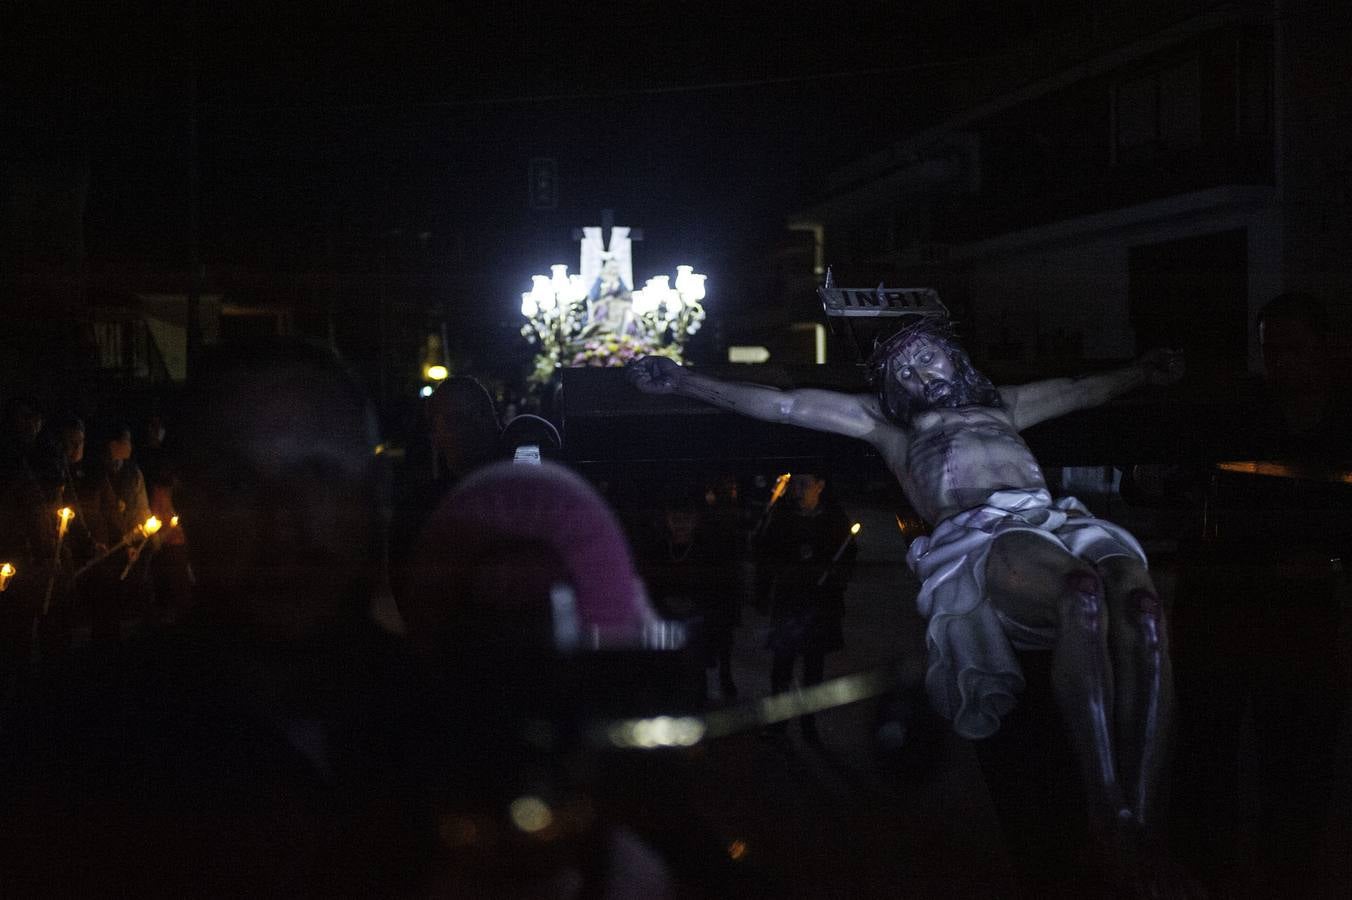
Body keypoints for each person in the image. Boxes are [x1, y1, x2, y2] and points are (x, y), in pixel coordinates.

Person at [629, 316, 1185, 887]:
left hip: (1056, 520)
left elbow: (1078, 390)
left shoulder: (1004, 405)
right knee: (1083, 597)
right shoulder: (886, 425)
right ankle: (1106, 805)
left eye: (929, 357)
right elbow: (785, 405)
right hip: (985, 535)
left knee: (1142, 611)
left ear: (955, 358)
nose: (920, 375)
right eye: (905, 370)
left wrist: (1142, 371)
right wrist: (683, 382)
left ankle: (1143, 814)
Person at [754, 473, 856, 742]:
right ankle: (778, 723)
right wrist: (764, 591)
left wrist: (834, 576)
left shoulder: (833, 519)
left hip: (821, 604)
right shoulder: (782, 517)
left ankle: (808, 723)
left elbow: (848, 556)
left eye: (805, 483)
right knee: (782, 666)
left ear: (820, 485)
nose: (799, 490)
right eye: (795, 484)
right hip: (789, 602)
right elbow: (765, 556)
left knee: (813, 667)